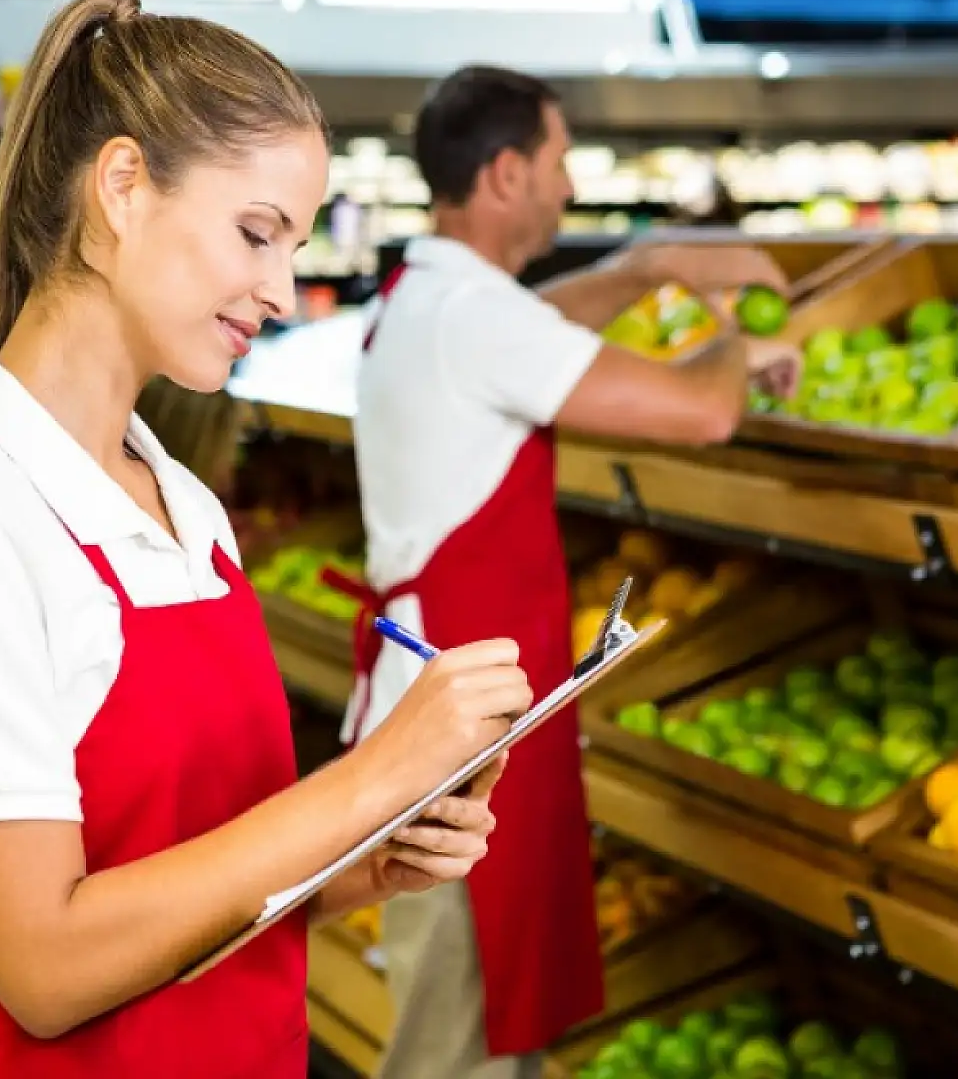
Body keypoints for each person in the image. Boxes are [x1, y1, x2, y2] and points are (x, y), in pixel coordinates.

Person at [0, 0, 536, 1079]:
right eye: (256, 234)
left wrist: (371, 852)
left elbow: (192, 862)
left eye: (292, 246)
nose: (280, 290)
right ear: (121, 188)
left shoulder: (183, 507)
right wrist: (362, 778)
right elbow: (46, 963)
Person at [333, 65, 802, 1079]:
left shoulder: (434, 296)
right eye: (555, 161)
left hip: (446, 711)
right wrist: (737, 335)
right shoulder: (473, 316)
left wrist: (643, 268)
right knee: (454, 1040)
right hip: (454, 738)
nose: (567, 183)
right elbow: (701, 411)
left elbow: (535, 322)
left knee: (477, 1026)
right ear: (505, 173)